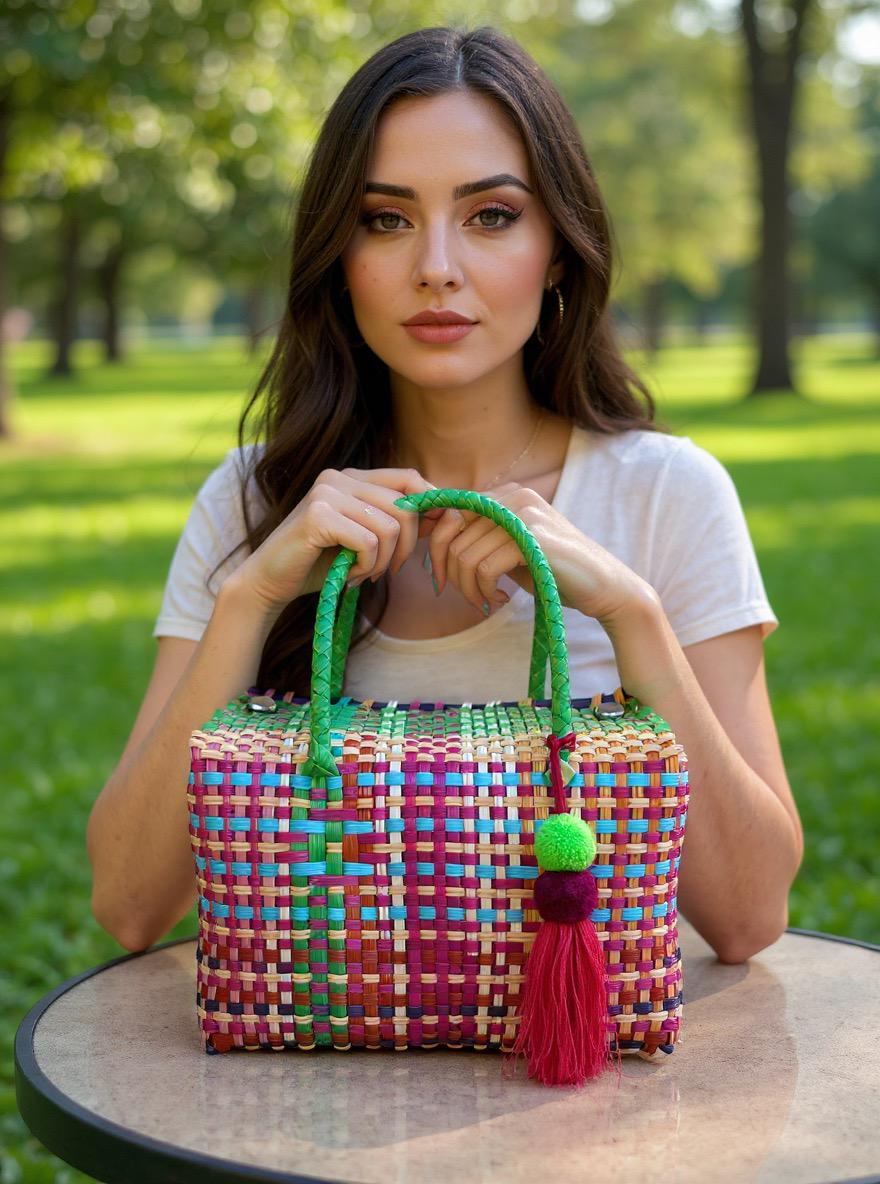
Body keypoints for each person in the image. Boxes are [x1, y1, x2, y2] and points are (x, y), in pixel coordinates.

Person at [86, 24, 803, 961]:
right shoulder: (255, 499)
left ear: (558, 249)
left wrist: (630, 614)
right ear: (338, 257)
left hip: (582, 1039)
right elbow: (129, 905)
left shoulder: (668, 493)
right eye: (385, 219)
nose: (435, 266)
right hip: (324, 1022)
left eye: (491, 215)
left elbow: (750, 918)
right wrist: (252, 599)